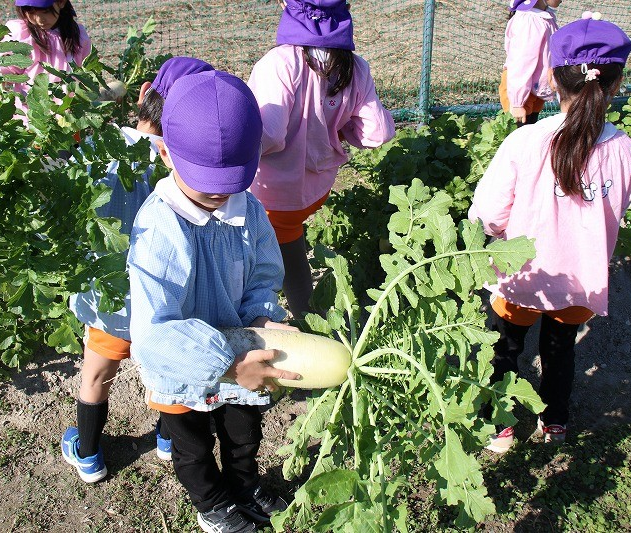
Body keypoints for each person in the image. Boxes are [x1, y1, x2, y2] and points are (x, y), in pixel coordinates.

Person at [127, 70, 301, 532]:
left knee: (244, 435)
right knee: (193, 449)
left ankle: (245, 486)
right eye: (208, 187)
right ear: (165, 151)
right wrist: (228, 362)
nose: (221, 196)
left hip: (243, 352)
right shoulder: (158, 228)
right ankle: (212, 503)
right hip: (183, 369)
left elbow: (263, 275)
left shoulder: (250, 210)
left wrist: (263, 316)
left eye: (234, 183)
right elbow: (152, 336)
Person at [469, 12, 631, 452]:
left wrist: (502, 231)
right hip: (581, 279)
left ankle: (499, 425)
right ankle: (554, 421)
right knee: (560, 352)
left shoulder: (526, 142)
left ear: (551, 77)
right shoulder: (622, 148)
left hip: (521, 275)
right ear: (615, 84)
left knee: (504, 351)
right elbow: (618, 207)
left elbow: (488, 213)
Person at [60, 57, 215, 483]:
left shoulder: (97, 150)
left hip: (111, 301)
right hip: (167, 302)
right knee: (167, 375)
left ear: (145, 93)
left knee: (96, 375)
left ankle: (88, 454)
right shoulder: (187, 168)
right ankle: (168, 442)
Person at [247, 0, 395, 318]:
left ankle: (287, 323)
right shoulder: (354, 66)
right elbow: (377, 133)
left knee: (261, 260)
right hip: (314, 192)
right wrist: (336, 127)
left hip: (273, 197)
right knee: (289, 245)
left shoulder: (280, 63)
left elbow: (268, 135)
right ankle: (308, 318)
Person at [0, 0, 91, 119]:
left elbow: (84, 73)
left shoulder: (77, 36)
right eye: (31, 12)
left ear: (61, 2)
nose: (39, 19)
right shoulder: (21, 36)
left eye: (45, 11)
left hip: (69, 114)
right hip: (31, 116)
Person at [500, 0, 562, 126]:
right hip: (522, 91)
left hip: (534, 88)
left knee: (530, 133)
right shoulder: (528, 22)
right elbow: (521, 63)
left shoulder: (544, 17)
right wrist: (517, 102)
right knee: (519, 136)